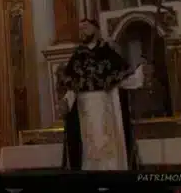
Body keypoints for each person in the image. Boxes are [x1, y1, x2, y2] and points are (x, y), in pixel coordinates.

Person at [58, 18, 144, 170]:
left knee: (108, 145)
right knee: (88, 147)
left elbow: (123, 78)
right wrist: (65, 102)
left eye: (86, 27)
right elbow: (72, 86)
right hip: (84, 109)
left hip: (106, 105)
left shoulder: (108, 53)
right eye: (80, 28)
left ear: (96, 29)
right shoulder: (77, 56)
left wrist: (140, 71)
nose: (82, 31)